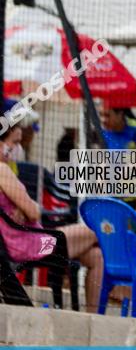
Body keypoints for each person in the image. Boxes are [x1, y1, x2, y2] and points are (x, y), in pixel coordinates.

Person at [0, 123, 98, 308]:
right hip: (31, 244)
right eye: (15, 142)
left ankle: (93, 315)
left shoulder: (5, 170)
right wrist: (27, 208)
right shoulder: (3, 170)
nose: (18, 148)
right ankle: (128, 268)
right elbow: (34, 212)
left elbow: (26, 209)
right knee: (96, 230)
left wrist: (24, 208)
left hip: (27, 239)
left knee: (96, 256)